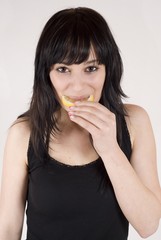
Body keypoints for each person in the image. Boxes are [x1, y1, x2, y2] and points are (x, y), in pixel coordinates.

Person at [0, 7, 161, 240]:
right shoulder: (24, 132)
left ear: (109, 69)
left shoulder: (134, 122)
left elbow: (148, 225)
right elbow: (7, 230)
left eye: (91, 68)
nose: (77, 88)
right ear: (47, 73)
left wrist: (109, 147)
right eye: (63, 69)